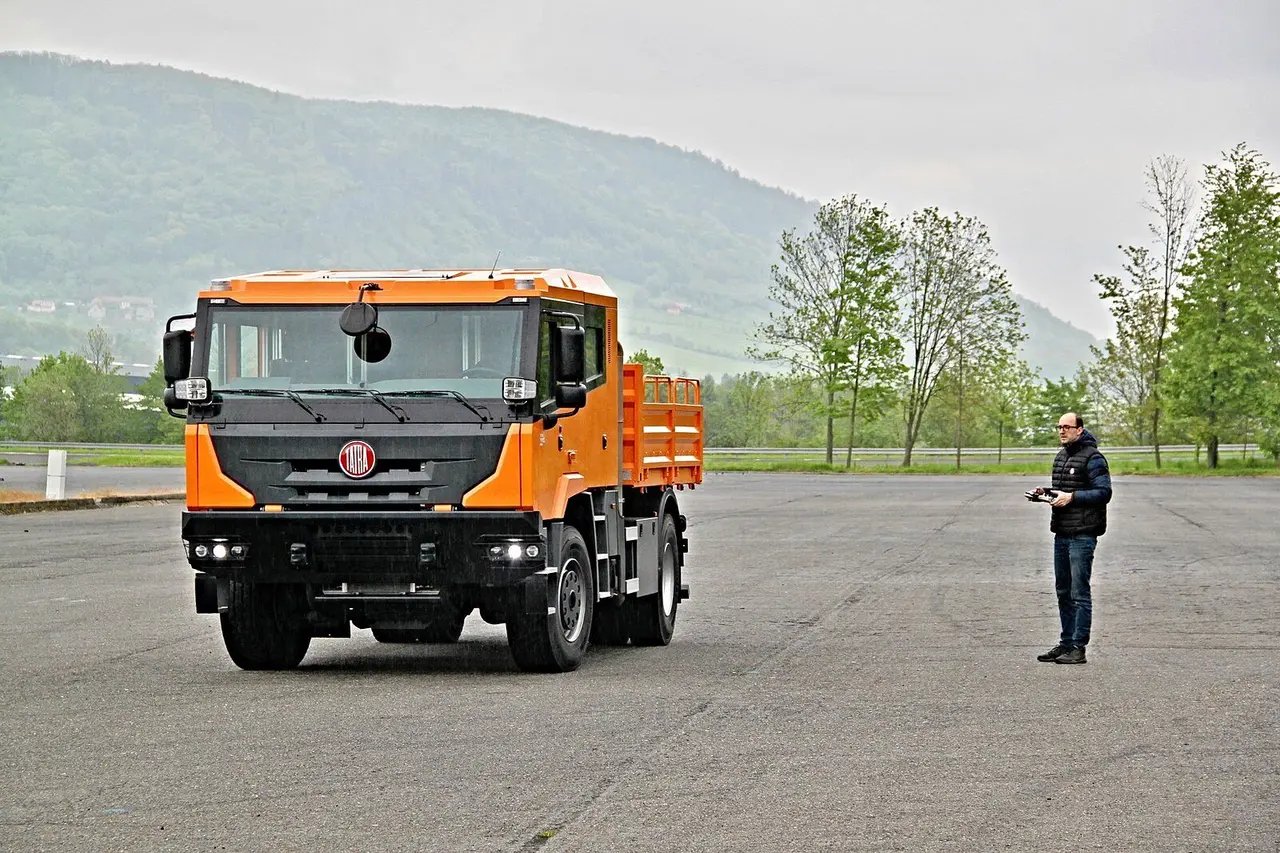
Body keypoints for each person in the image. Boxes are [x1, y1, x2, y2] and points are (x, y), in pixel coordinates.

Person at [1030, 412, 1112, 665]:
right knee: (1063, 590)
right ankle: (1066, 642)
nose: (1062, 431)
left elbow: (1104, 492)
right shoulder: (1061, 456)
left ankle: (1078, 647)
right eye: (1059, 427)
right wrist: (1046, 493)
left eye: (1067, 427)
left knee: (1079, 591)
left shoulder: (1094, 458)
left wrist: (1073, 497)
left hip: (1083, 535)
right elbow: (1064, 490)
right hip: (1062, 532)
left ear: (1080, 429)